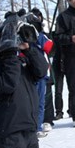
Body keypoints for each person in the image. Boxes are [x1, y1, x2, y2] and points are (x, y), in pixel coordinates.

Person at [0, 13, 49, 148]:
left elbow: (42, 70)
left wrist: (29, 50)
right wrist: (9, 53)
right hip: (10, 126)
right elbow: (9, 84)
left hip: (28, 123)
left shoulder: (21, 59)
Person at [26, 9, 53, 138]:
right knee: (31, 102)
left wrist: (38, 35)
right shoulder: (23, 38)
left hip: (42, 73)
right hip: (29, 74)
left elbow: (49, 46)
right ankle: (31, 127)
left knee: (40, 102)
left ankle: (37, 126)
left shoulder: (41, 36)